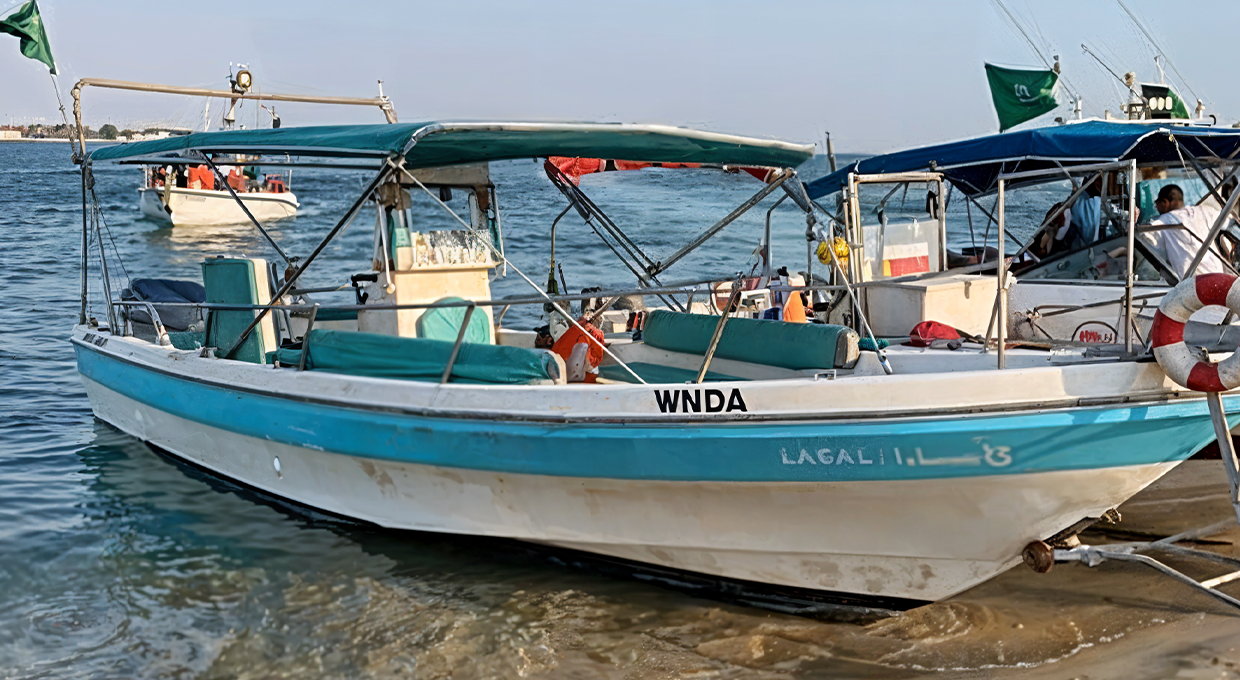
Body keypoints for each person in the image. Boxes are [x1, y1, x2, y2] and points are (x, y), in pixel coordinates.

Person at [1146, 184, 1231, 277]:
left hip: (1192, 284)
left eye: (1156, 204)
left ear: (1164, 202)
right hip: (1219, 276)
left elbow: (1146, 239)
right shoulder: (1203, 211)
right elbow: (1228, 222)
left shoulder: (1162, 222)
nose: (1157, 208)